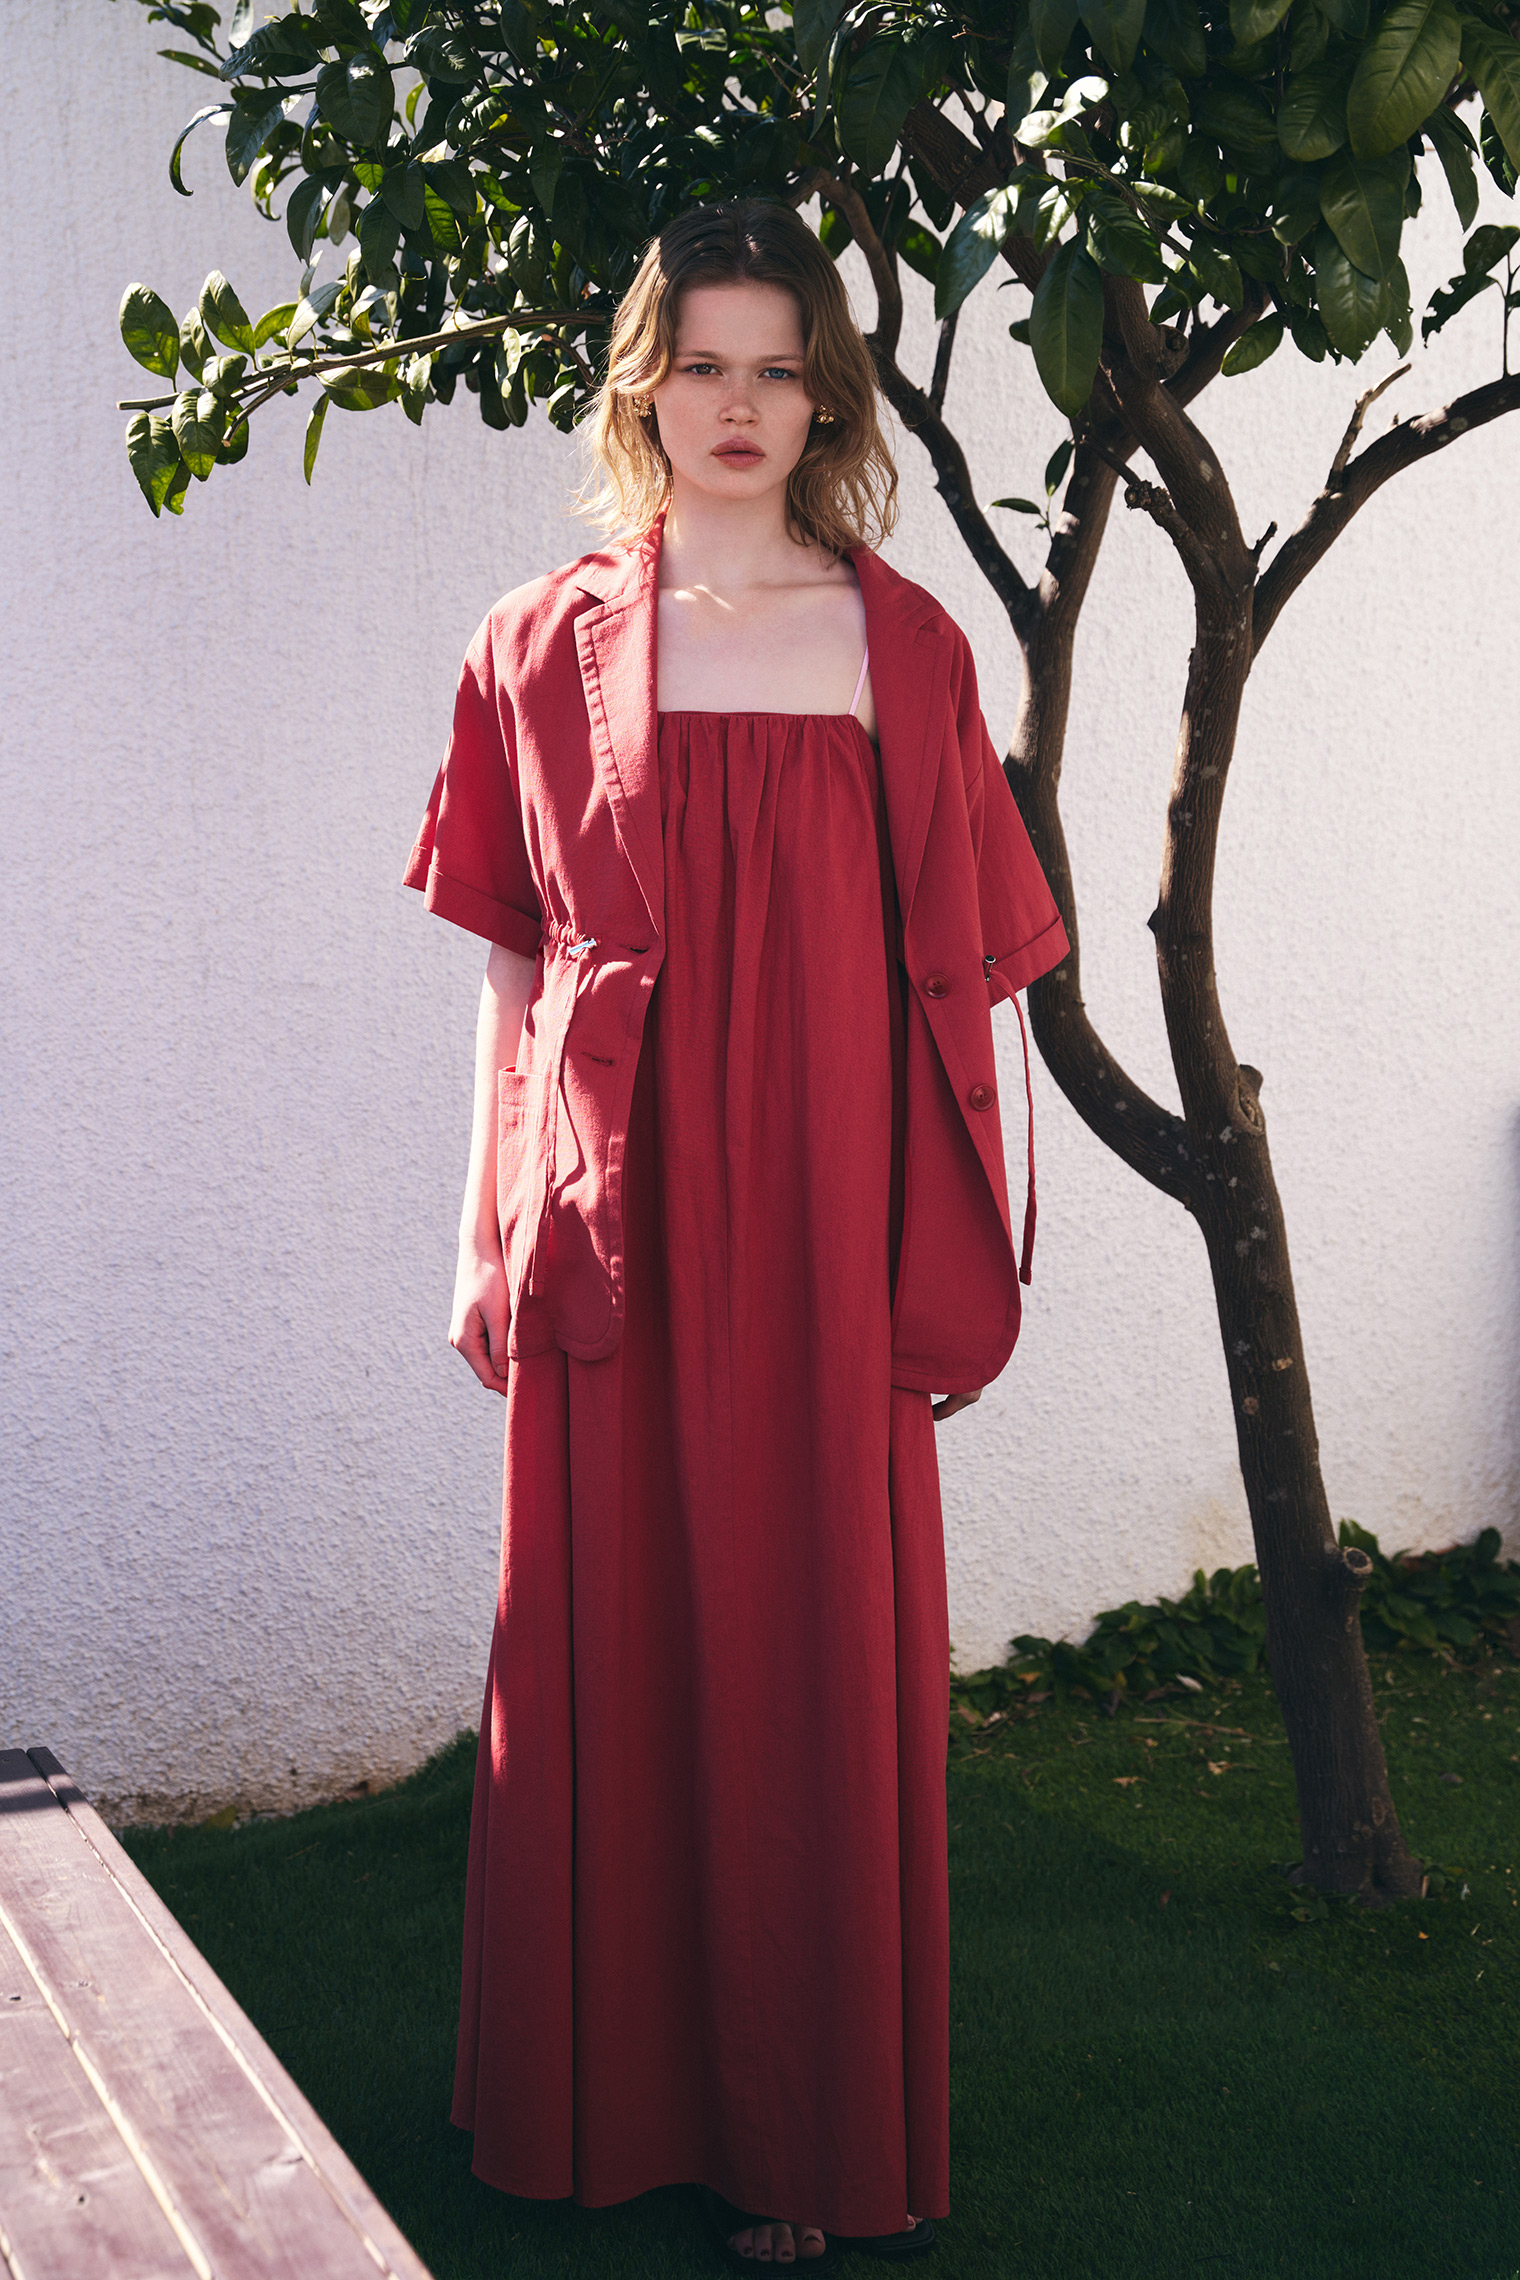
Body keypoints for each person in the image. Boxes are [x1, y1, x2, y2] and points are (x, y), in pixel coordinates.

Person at [404, 199, 1068, 2272]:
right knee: (591, 1643)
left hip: (831, 1216)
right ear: (644, 386)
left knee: (813, 1649)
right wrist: (480, 1225)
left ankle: (804, 2140)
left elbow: (968, 982)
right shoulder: (536, 643)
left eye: (780, 368)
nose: (740, 405)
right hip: (615, 1208)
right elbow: (514, 969)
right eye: (703, 364)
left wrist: (947, 1234)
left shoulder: (909, 646)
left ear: (828, 399)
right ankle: (595, 2115)